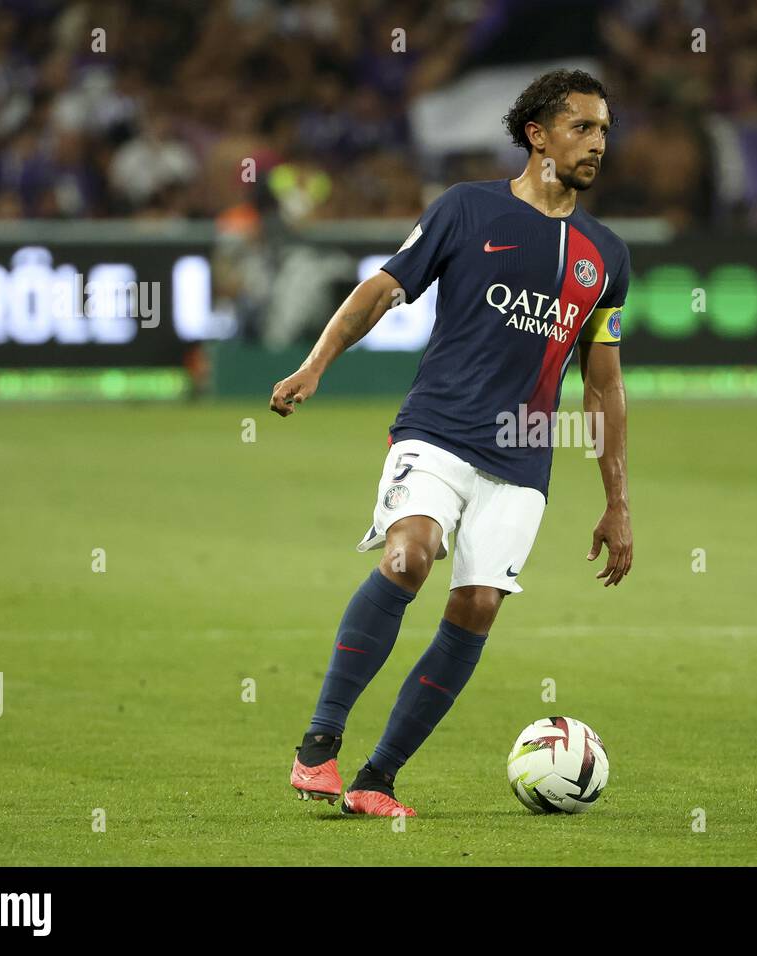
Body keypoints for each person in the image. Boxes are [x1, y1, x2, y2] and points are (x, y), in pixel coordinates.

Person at [269, 69, 632, 817]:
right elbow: (381, 288)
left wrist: (616, 501)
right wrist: (315, 364)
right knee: (410, 554)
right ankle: (319, 747)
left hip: (524, 458)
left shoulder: (608, 255)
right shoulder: (467, 209)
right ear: (537, 135)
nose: (597, 143)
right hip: (438, 429)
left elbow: (603, 385)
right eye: (581, 128)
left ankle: (377, 778)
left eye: (603, 130)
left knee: (475, 607)